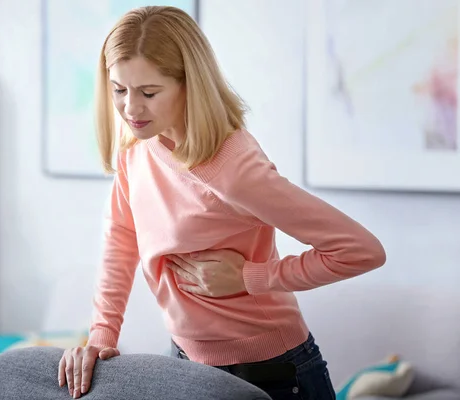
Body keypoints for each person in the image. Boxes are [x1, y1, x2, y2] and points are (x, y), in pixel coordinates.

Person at [59, 5, 386, 400]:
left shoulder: (234, 166)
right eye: (119, 89)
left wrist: (252, 277)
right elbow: (121, 240)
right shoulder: (137, 152)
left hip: (274, 375)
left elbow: (361, 250)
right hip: (188, 362)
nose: (131, 108)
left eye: (148, 92)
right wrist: (102, 335)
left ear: (189, 85)